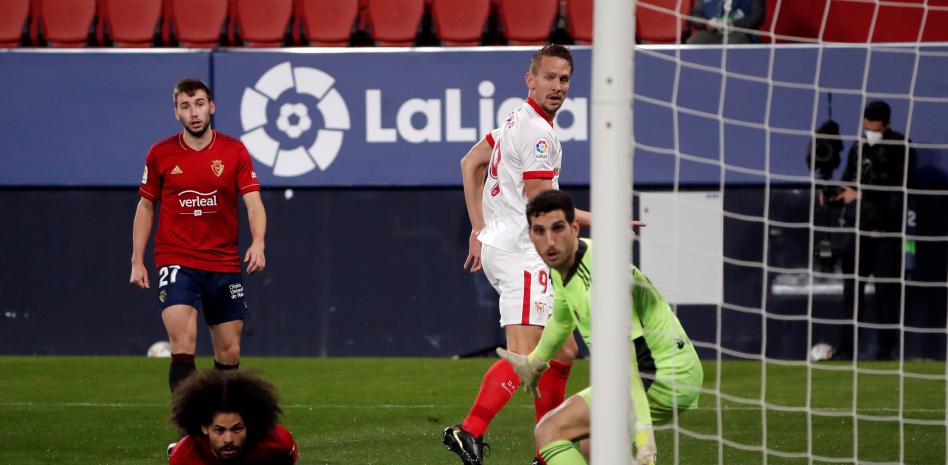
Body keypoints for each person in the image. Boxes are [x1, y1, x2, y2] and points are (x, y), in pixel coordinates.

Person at [445, 44, 590, 465]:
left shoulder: (515, 119)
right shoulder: (539, 133)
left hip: (503, 246)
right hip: (521, 255)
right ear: (530, 80)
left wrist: (479, 227)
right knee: (527, 357)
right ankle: (469, 431)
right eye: (549, 77)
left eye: (564, 79)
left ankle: (548, 450)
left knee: (562, 353)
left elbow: (470, 162)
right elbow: (542, 207)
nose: (557, 86)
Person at [498, 190, 704, 465]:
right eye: (539, 231)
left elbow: (628, 367)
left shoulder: (600, 281)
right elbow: (561, 318)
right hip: (666, 369)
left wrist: (644, 438)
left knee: (550, 431)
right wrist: (535, 362)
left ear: (574, 228)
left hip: (662, 374)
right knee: (591, 449)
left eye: (557, 228)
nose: (549, 241)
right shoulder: (566, 260)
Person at [129, 78, 267, 392]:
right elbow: (146, 206)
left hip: (223, 261)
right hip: (177, 259)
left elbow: (254, 203)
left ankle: (221, 426)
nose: (194, 112)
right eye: (185, 106)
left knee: (229, 351)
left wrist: (258, 242)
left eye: (200, 104)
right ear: (176, 113)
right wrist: (137, 259)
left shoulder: (234, 151)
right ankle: (188, 434)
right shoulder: (160, 153)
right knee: (182, 342)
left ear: (212, 107)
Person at [831, 100, 916, 360]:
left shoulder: (901, 147)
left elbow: (897, 185)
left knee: (886, 295)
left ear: (885, 124)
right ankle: (847, 349)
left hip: (887, 233)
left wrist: (861, 194)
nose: (869, 128)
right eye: (866, 123)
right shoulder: (859, 147)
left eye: (873, 124)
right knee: (851, 293)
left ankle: (885, 351)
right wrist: (836, 194)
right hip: (859, 232)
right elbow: (847, 179)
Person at [168, 369, 298, 464]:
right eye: (219, 430)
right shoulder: (184, 457)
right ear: (205, 428)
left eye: (237, 429)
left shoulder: (278, 443)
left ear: (249, 425)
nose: (228, 439)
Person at [686, 0, 765, 44]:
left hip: (740, 32)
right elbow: (695, 14)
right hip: (712, 33)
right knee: (695, 41)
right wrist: (706, 23)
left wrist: (734, 24)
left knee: (733, 43)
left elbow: (757, 16)